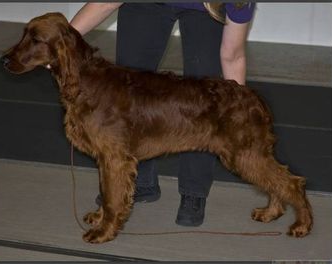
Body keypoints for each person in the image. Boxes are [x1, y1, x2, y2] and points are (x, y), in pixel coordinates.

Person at [71, 2, 255, 227]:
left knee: (204, 102)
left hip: (206, 9)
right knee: (128, 91)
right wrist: (60, 40)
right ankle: (139, 182)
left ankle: (194, 191)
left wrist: (238, 109)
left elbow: (232, 56)